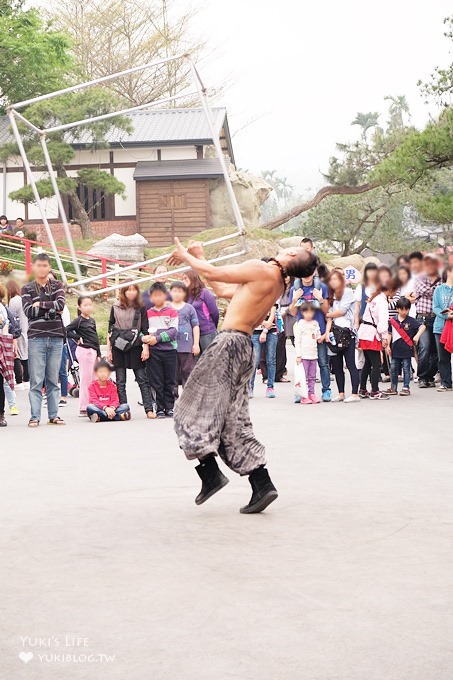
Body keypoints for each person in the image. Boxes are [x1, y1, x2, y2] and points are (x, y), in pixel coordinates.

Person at [168, 237, 317, 514]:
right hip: (243, 347)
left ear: (294, 252)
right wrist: (200, 256)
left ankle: (210, 473)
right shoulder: (277, 280)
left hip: (228, 344)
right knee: (234, 421)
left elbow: (214, 275)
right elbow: (223, 288)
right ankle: (262, 483)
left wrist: (187, 257)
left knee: (190, 409)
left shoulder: (263, 270)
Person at [22, 253, 66, 427]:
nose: (42, 268)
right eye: (39, 265)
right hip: (36, 338)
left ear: (49, 267)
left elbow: (61, 305)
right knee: (36, 380)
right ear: (34, 267)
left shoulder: (57, 285)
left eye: (45, 265)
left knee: (53, 379)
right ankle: (35, 416)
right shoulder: (27, 288)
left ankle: (54, 415)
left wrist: (40, 304)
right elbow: (28, 311)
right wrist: (52, 309)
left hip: (56, 336)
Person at [107, 283, 155, 418]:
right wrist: (109, 350)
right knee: (120, 381)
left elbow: (145, 329)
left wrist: (146, 348)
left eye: (134, 289)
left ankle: (149, 409)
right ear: (123, 291)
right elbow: (110, 329)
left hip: (136, 345)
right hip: (118, 346)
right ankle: (124, 409)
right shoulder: (115, 306)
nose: (131, 292)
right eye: (128, 290)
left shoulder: (141, 307)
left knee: (142, 379)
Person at [289, 266, 331, 402]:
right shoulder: (294, 289)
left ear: (314, 272)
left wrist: (320, 298)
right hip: (303, 333)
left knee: (323, 363)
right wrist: (295, 300)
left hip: (318, 330)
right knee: (302, 364)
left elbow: (326, 311)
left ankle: (326, 391)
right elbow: (293, 312)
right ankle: (300, 392)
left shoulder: (321, 287)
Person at [143, 282, 178, 418]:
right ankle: (159, 408)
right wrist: (145, 340)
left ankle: (169, 407)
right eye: (154, 296)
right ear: (151, 297)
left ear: (165, 295)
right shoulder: (148, 313)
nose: (157, 298)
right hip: (154, 352)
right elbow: (143, 332)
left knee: (169, 380)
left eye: (160, 295)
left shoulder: (172, 311)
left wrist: (157, 339)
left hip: (169, 350)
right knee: (156, 380)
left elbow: (173, 331)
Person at [326, 271, 360, 403]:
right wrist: (327, 333)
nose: (333, 281)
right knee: (337, 364)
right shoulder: (331, 295)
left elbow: (341, 311)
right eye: (331, 279)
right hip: (335, 332)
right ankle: (341, 393)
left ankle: (355, 393)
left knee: (350, 363)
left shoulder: (347, 292)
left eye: (336, 279)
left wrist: (327, 315)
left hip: (346, 332)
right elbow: (330, 316)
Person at [66, 296, 100, 416]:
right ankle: (84, 406)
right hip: (84, 351)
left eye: (90, 304)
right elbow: (66, 330)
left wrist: (99, 354)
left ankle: (93, 403)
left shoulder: (92, 320)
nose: (88, 307)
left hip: (93, 351)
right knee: (86, 379)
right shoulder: (78, 320)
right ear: (79, 307)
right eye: (85, 305)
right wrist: (77, 337)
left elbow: (95, 338)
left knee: (94, 379)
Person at [385, 297, 425, 396]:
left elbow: (422, 326)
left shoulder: (411, 320)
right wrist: (387, 346)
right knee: (393, 369)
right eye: (401, 309)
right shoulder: (392, 320)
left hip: (407, 350)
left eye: (406, 309)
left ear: (409, 309)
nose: (404, 311)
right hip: (395, 349)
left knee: (406, 369)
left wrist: (417, 336)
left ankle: (406, 387)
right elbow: (389, 333)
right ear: (397, 309)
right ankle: (393, 388)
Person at [357, 283, 390, 400]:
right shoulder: (382, 301)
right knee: (376, 364)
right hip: (372, 334)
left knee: (368, 362)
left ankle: (363, 389)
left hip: (364, 332)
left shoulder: (374, 298)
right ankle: (375, 390)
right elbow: (383, 322)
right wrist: (384, 337)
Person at [414, 253, 441, 388]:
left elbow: (441, 294)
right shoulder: (420, 277)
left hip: (437, 318)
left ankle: (430, 376)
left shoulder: (441, 279)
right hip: (422, 319)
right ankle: (422, 377)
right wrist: (436, 290)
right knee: (424, 347)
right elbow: (431, 292)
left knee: (436, 350)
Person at [169, 281, 200, 397]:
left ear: (184, 293)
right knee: (172, 372)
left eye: (180, 291)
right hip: (170, 346)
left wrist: (196, 344)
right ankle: (173, 396)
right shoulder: (166, 308)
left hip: (186, 346)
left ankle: (188, 396)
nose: (177, 294)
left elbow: (195, 326)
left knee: (187, 371)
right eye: (174, 291)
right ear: (170, 292)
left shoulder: (189, 308)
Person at [182, 269, 219, 352]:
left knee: (210, 359)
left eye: (185, 278)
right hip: (193, 335)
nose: (183, 281)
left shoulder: (205, 293)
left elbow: (215, 313)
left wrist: (212, 327)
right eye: (182, 279)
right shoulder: (186, 296)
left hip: (207, 332)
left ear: (193, 278)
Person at [294, 303, 322, 404]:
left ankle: (312, 393)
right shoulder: (300, 324)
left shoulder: (315, 323)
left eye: (311, 312)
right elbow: (297, 340)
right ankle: (303, 395)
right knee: (303, 377)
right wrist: (298, 355)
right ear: (302, 312)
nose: (309, 314)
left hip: (313, 354)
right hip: (303, 355)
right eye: (307, 312)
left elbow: (318, 337)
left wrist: (324, 336)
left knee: (312, 376)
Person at [432, 264, 453, 392]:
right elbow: (435, 307)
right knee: (443, 357)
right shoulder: (438, 289)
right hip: (440, 327)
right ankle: (446, 382)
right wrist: (447, 315)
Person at [250, 306, 278, 398]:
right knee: (255, 360)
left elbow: (272, 314)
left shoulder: (272, 295)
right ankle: (250, 387)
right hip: (255, 331)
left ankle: (270, 387)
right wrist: (262, 322)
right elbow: (252, 313)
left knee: (271, 360)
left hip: (271, 330)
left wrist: (265, 330)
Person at [6, 280, 28, 390]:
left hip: (18, 329)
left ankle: (22, 380)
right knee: (24, 353)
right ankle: (26, 379)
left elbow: (10, 315)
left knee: (18, 354)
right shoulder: (21, 299)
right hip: (25, 328)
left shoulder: (14, 300)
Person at [354, 262, 379, 327]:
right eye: (369, 271)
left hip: (377, 322)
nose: (372, 273)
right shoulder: (361, 287)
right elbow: (357, 306)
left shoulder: (380, 287)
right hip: (363, 322)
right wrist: (356, 322)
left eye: (374, 271)